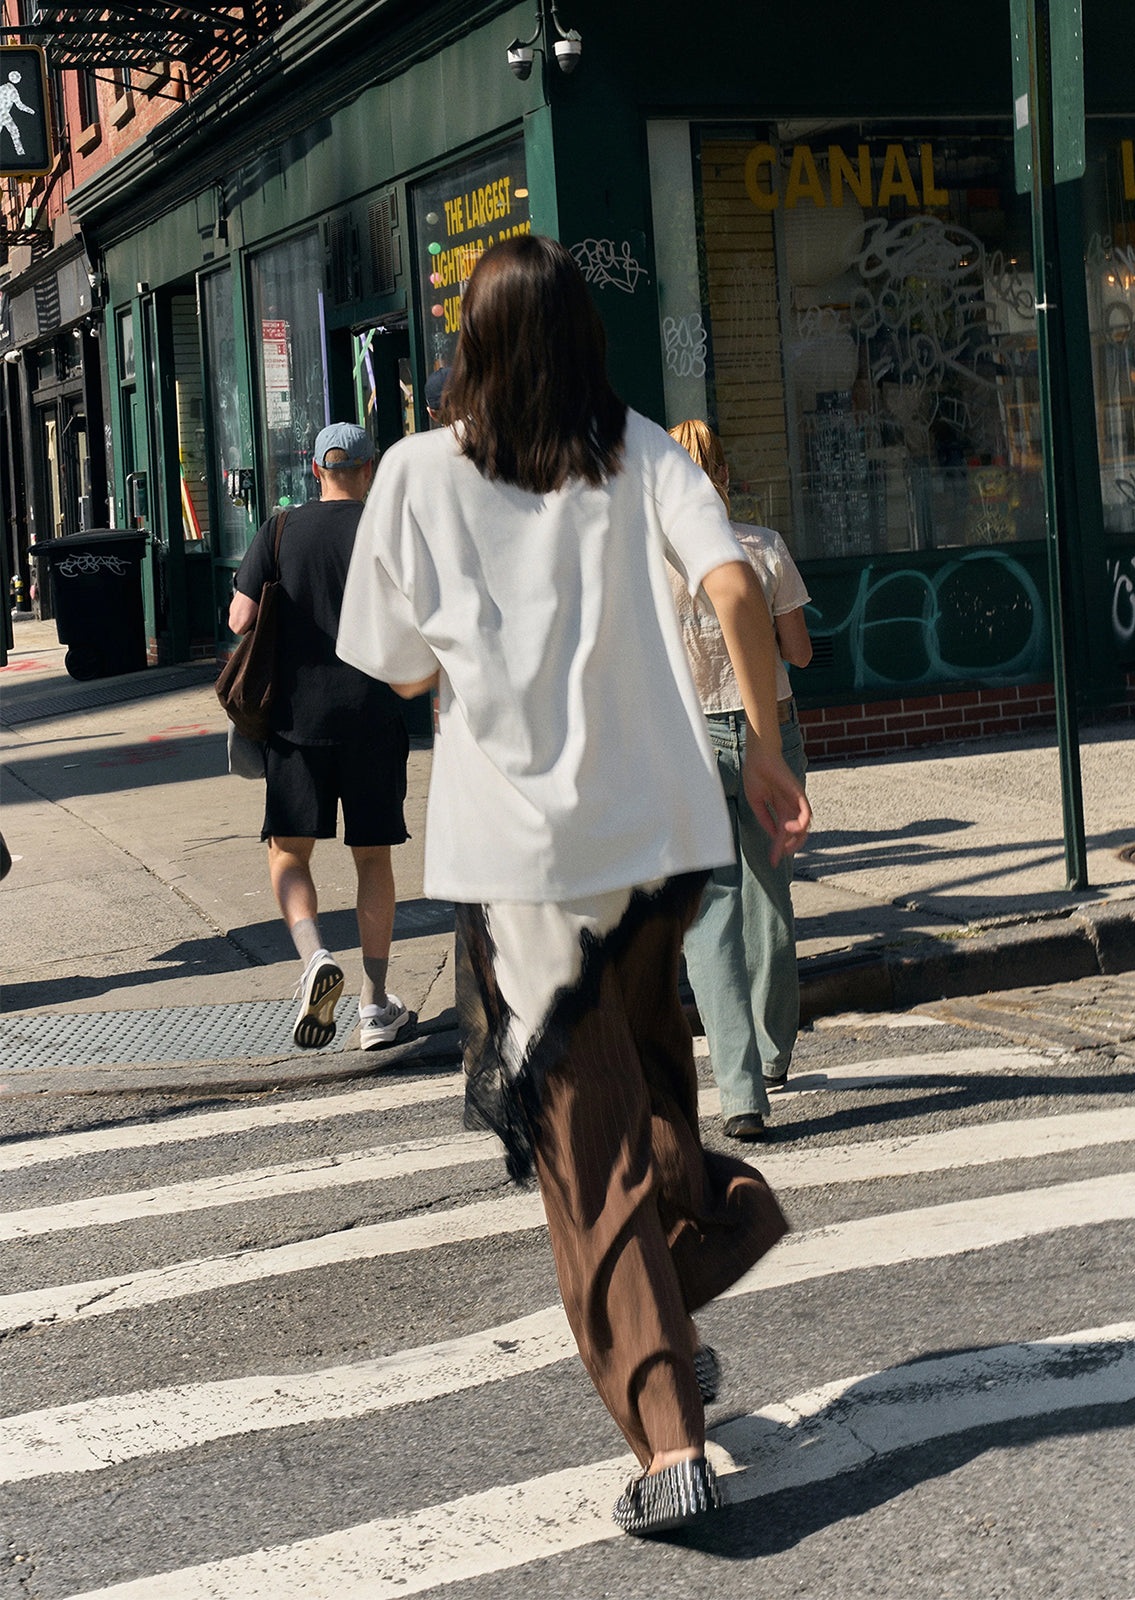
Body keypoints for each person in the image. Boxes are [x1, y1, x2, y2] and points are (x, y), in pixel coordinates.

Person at [336, 235, 811, 1535]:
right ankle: (713, 1217)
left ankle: (670, 1435)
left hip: (522, 865)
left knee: (584, 1152)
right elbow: (731, 582)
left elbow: (396, 671)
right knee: (651, 1098)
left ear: (471, 350)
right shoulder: (643, 450)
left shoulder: (417, 473)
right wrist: (762, 748)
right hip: (657, 843)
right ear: (586, 341)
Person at [228, 422, 411, 1053]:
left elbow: (241, 616)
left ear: (315, 470)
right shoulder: (386, 528)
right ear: (370, 468)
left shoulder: (281, 528)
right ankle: (374, 1005)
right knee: (372, 859)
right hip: (373, 717)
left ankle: (314, 959)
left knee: (288, 854)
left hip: (296, 724)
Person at [666, 421, 813, 1139]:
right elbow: (800, 652)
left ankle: (739, 1089)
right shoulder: (759, 547)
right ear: (724, 475)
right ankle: (775, 1049)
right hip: (765, 731)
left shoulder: (652, 560)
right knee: (770, 891)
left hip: (687, 739)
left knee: (709, 915)